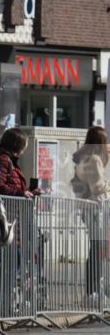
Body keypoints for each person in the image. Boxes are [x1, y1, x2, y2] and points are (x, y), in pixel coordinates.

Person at [70, 126, 109, 299]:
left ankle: (92, 290)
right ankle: (93, 291)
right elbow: (98, 186)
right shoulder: (94, 159)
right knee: (97, 249)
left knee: (95, 248)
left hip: (88, 208)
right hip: (96, 208)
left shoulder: (83, 158)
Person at [0, 128, 32, 198]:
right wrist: (20, 193)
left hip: (9, 205)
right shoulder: (2, 160)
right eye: (23, 149)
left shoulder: (10, 160)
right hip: (3, 205)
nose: (23, 153)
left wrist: (28, 192)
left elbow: (12, 185)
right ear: (17, 147)